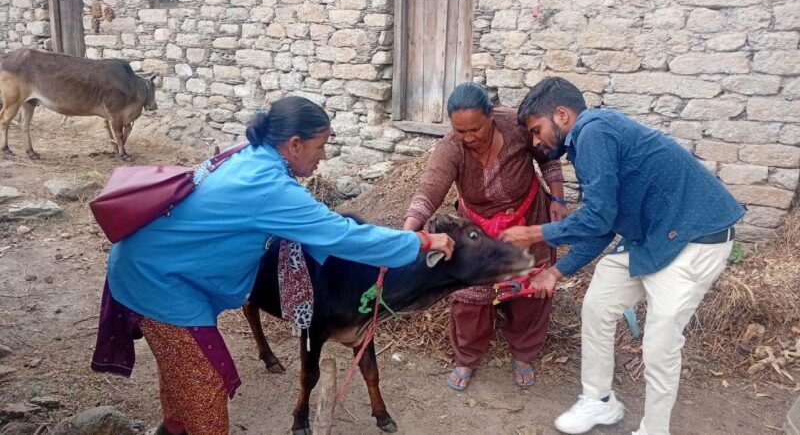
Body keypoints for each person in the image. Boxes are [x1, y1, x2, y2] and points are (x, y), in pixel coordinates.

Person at [90, 96, 455, 435]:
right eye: (321, 145)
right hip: (158, 281)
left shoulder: (251, 154)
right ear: (295, 144)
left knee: (184, 378)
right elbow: (341, 235)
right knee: (206, 394)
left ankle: (172, 428)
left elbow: (322, 234)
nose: (324, 155)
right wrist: (420, 241)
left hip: (158, 265)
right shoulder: (270, 188)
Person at [500, 77, 745, 435]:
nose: (536, 142)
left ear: (562, 114)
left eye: (537, 131)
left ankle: (654, 430)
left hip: (695, 238)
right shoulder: (588, 143)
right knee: (599, 305)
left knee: (660, 346)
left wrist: (536, 233)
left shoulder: (594, 130)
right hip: (652, 237)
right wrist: (556, 271)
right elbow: (603, 223)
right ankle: (599, 402)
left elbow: (597, 217)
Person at [403, 83, 567, 391]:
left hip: (527, 221)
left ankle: (524, 352)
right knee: (470, 298)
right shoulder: (452, 146)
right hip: (477, 231)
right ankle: (467, 357)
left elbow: (547, 158)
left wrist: (558, 199)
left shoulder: (517, 125)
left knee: (529, 291)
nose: (469, 138)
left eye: (475, 129)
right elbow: (429, 190)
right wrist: (407, 233)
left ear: (491, 116)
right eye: (460, 131)